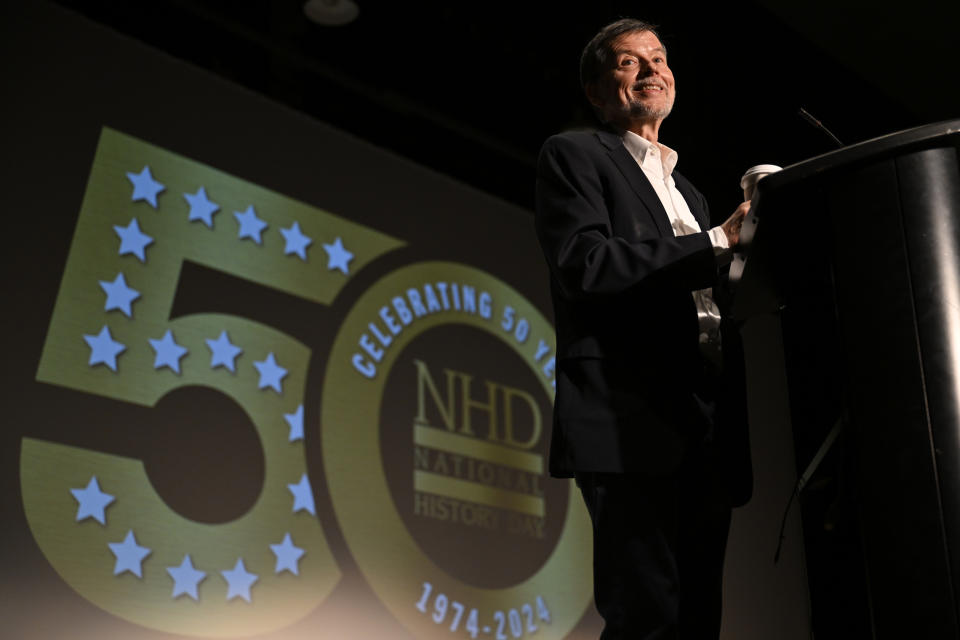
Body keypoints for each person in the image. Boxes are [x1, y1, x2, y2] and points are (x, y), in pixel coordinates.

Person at [534, 18, 753, 639]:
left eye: (659, 59)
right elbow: (587, 265)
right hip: (629, 419)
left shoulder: (690, 191)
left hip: (704, 421)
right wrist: (715, 243)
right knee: (647, 617)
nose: (653, 70)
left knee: (697, 622)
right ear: (599, 92)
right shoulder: (575, 154)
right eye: (630, 62)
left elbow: (702, 293)